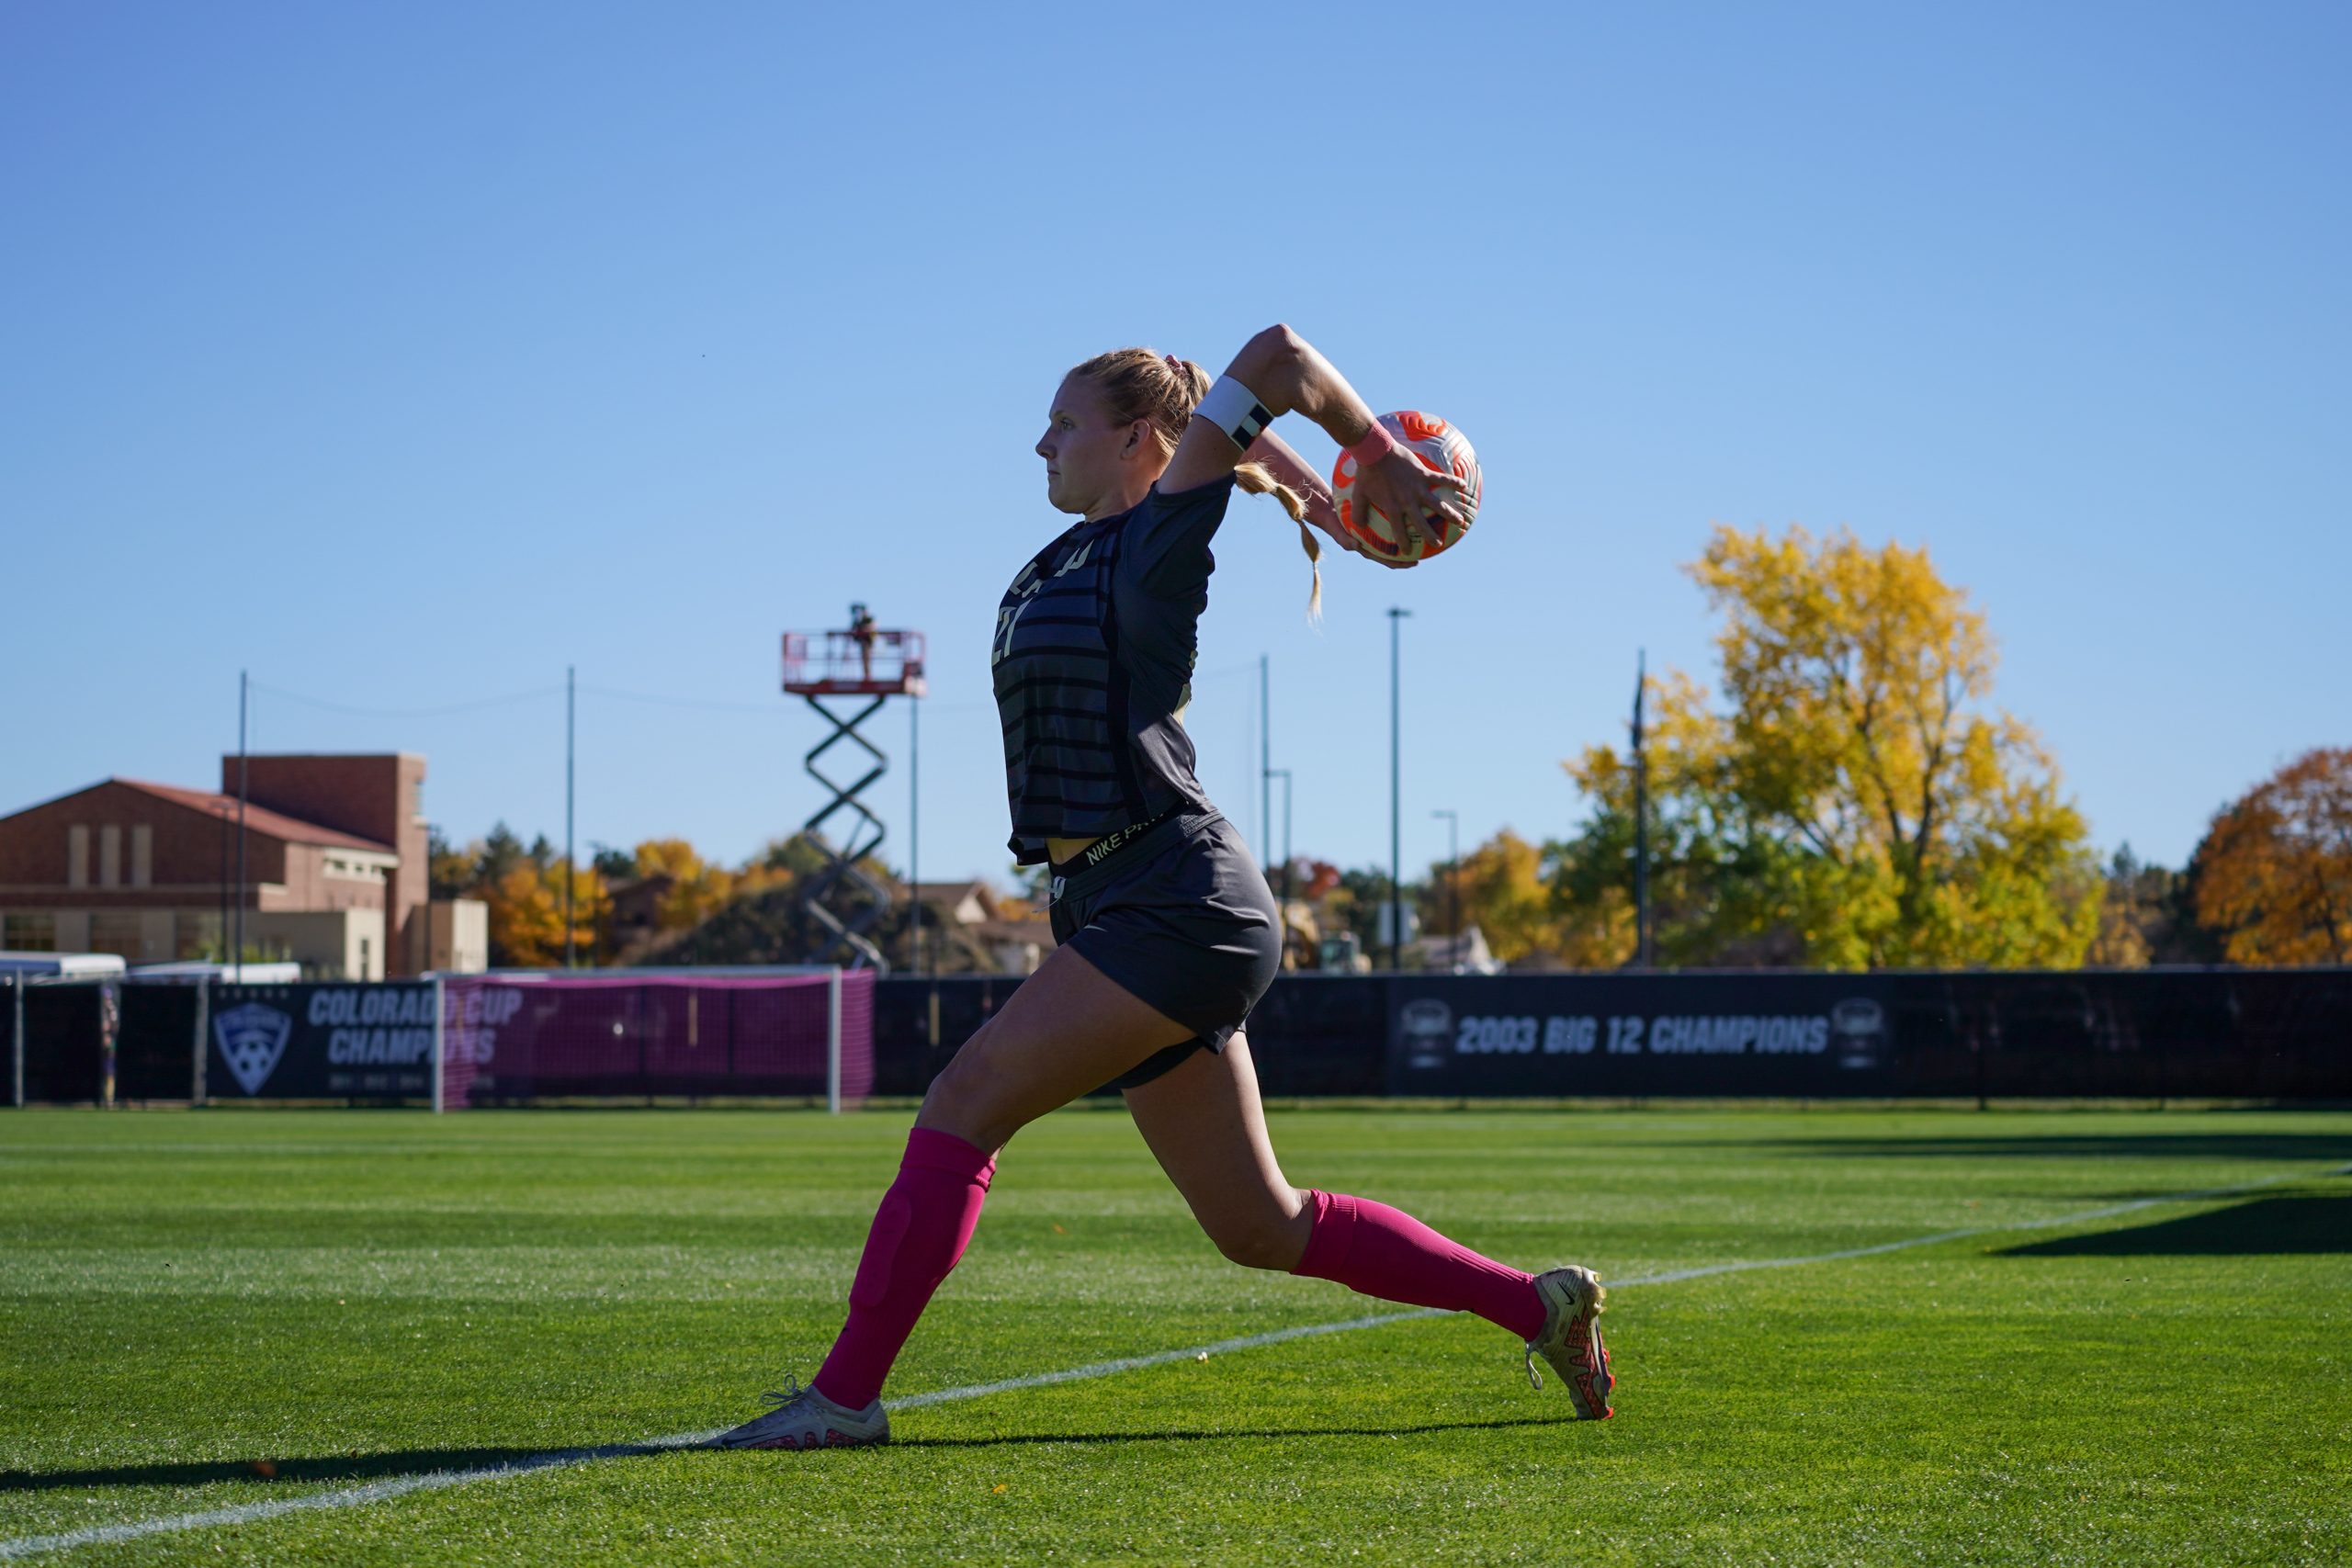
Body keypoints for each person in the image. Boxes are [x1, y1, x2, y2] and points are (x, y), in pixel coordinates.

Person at [718, 325, 1611, 1450]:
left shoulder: (1156, 538)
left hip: (1176, 896)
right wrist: (1317, 498)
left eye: (1063, 422)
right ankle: (1536, 1305)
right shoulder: (1067, 554)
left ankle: (840, 1401)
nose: (1038, 440)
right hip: (1115, 901)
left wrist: (1372, 452)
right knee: (1259, 1225)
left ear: (1139, 438)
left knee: (962, 1104)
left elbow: (1282, 358)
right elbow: (1247, 443)